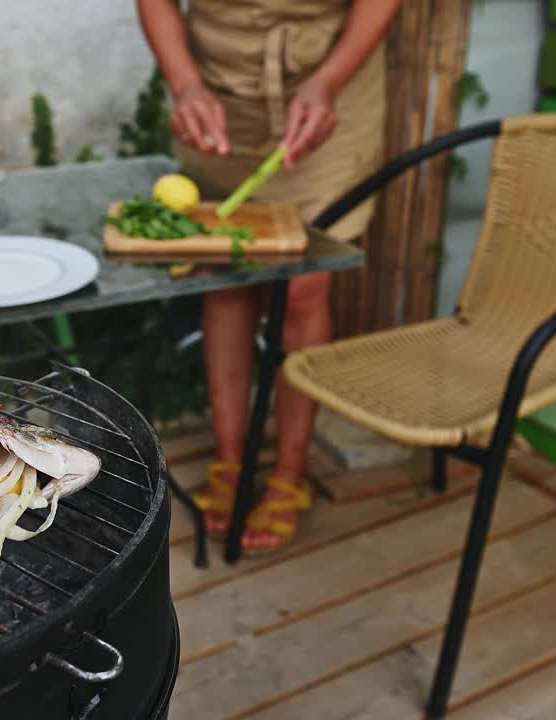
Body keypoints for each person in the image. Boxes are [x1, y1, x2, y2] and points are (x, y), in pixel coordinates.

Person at [136, 0, 401, 553]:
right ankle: (232, 458)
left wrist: (329, 81)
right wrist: (184, 85)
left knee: (302, 285)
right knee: (227, 276)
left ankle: (290, 470)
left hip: (327, 85)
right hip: (219, 87)